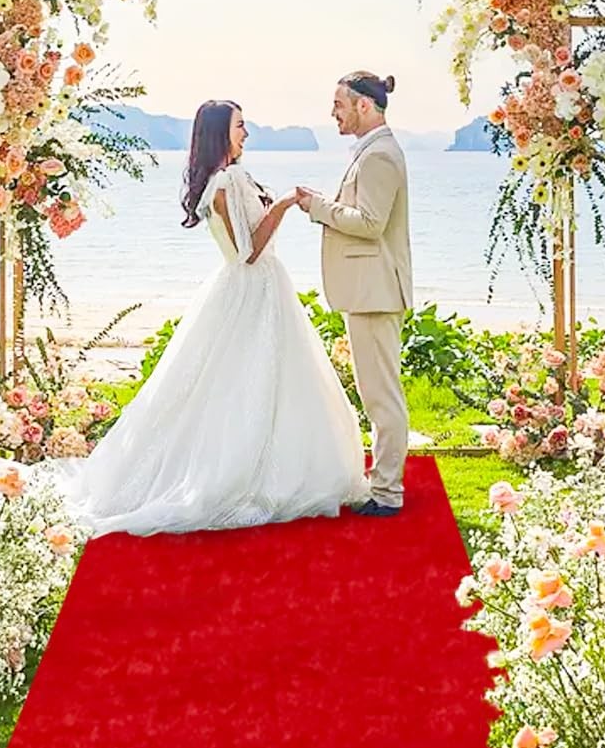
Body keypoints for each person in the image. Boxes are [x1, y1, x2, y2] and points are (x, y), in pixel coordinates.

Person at [53, 100, 368, 536]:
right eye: (240, 126)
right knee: (253, 381)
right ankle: (253, 474)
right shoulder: (228, 181)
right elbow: (247, 252)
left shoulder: (226, 178)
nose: (246, 133)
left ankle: (263, 466)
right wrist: (284, 205)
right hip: (254, 288)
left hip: (249, 289)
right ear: (221, 132)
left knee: (247, 381)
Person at [294, 71, 412, 517]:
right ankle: (384, 485)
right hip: (370, 291)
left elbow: (370, 223)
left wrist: (317, 207)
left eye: (339, 105)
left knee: (382, 398)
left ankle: (387, 493)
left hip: (375, 292)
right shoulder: (372, 151)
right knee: (377, 394)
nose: (333, 113)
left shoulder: (379, 155)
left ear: (364, 105)